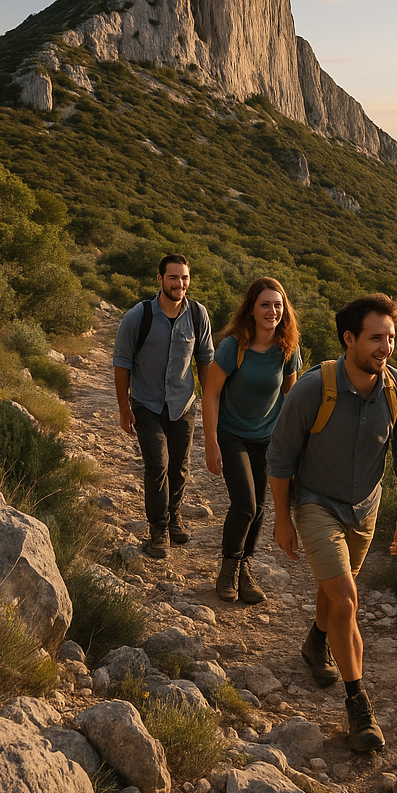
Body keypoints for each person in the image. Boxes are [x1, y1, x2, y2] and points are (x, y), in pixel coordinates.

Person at [268, 293, 397, 752]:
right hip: (316, 503)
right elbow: (280, 457)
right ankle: (360, 708)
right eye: (376, 338)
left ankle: (316, 644)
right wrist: (281, 519)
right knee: (347, 599)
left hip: (366, 508)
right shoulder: (314, 388)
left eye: (391, 338)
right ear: (349, 339)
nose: (386, 348)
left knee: (336, 595)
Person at [202, 277, 302, 604]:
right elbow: (211, 393)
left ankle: (245, 568)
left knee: (260, 508)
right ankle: (228, 567)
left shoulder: (288, 348)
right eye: (265, 304)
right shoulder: (234, 346)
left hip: (267, 440)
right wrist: (211, 443)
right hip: (232, 435)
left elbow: (291, 396)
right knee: (245, 504)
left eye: (277, 305)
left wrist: (293, 444)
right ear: (252, 309)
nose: (272, 311)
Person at [113, 255, 214, 558]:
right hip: (146, 404)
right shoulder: (138, 316)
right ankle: (159, 529)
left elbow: (206, 361)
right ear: (160, 279)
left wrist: (210, 403)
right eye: (173, 277)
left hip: (183, 405)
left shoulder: (198, 315)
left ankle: (175, 517)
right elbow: (121, 362)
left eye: (184, 278)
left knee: (179, 466)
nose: (179, 284)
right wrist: (122, 408)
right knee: (157, 465)